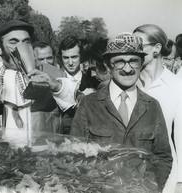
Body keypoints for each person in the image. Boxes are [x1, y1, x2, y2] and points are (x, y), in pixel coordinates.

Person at [70, 33, 172, 190]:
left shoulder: (152, 106)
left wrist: (150, 188)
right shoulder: (89, 105)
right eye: (119, 62)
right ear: (108, 65)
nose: (127, 69)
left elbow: (162, 157)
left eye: (134, 61)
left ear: (142, 63)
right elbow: (74, 154)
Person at [0, 20, 65, 135]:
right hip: (1, 150)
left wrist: (58, 87)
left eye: (26, 42)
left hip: (43, 149)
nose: (20, 47)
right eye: (13, 42)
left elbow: (74, 111)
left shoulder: (53, 74)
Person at [133, 24, 182, 193]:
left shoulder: (177, 86)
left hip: (167, 175)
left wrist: (180, 182)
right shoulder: (130, 84)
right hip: (129, 173)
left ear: (157, 48)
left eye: (139, 45)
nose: (133, 51)